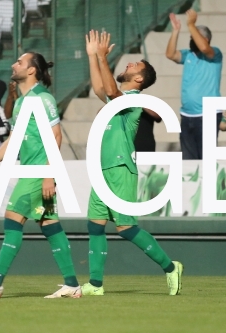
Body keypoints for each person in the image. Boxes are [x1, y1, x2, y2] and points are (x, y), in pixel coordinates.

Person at [0, 52, 82, 299]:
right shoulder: (20, 102)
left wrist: (50, 175)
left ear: (31, 71)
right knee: (50, 225)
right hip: (35, 171)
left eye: (20, 62)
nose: (13, 64)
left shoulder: (43, 99)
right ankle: (71, 283)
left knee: (12, 218)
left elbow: (56, 136)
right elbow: (13, 141)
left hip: (39, 173)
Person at [84, 29, 183, 296]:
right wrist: (93, 56)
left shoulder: (135, 99)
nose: (128, 63)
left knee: (126, 227)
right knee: (94, 225)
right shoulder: (117, 95)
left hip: (120, 168)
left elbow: (112, 94)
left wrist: (104, 58)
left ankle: (170, 267)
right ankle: (95, 284)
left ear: (138, 78)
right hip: (102, 168)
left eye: (134, 65)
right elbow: (100, 88)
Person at [166, 9, 223, 160]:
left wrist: (191, 24)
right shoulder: (188, 55)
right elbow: (170, 54)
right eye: (191, 37)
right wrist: (176, 31)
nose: (192, 40)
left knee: (206, 159)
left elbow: (204, 48)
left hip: (207, 115)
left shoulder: (215, 54)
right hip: (187, 115)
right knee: (189, 161)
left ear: (206, 39)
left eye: (194, 36)